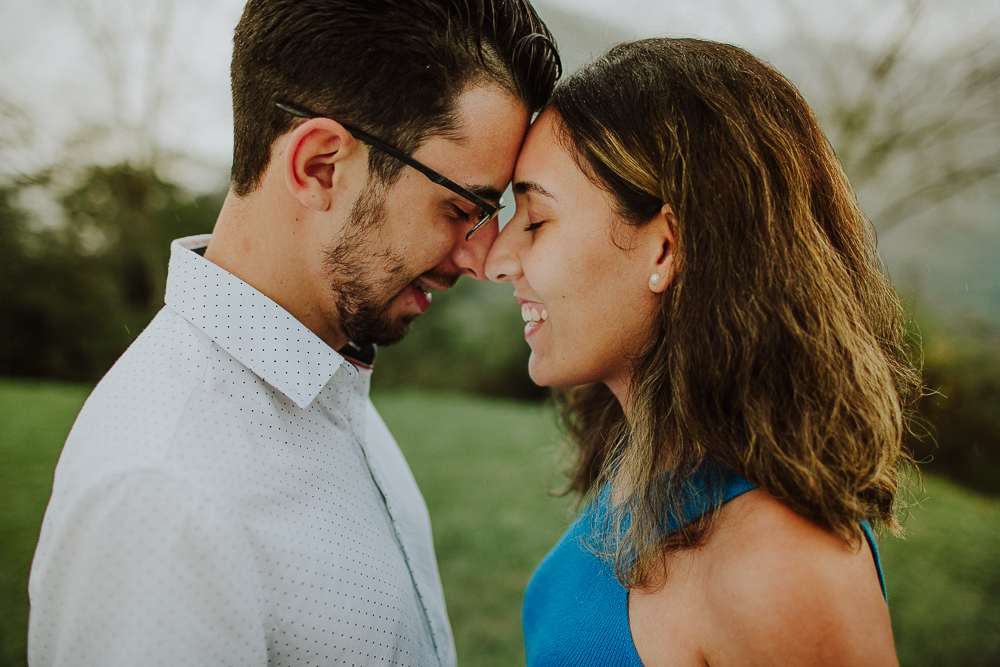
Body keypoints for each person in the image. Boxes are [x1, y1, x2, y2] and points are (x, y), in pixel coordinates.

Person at [28, 1, 559, 665]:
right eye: (461, 209)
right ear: (318, 166)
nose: (478, 257)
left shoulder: (328, 378)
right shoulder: (166, 496)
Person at [486, 37, 919, 666]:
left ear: (664, 249)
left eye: (535, 219)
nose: (497, 259)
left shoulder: (780, 566)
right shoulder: (648, 460)